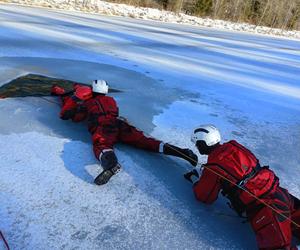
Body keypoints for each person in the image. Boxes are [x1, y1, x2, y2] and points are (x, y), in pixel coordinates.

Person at [51, 80, 198, 185]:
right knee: (147, 142)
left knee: (102, 145)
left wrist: (74, 99)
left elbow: (66, 116)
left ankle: (111, 165)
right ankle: (183, 152)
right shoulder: (112, 101)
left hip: (103, 127)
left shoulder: (88, 103)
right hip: (120, 124)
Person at [184, 124, 300, 250]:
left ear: (202, 144)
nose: (196, 146)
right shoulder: (234, 147)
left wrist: (197, 181)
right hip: (281, 194)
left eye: (197, 143)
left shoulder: (213, 167)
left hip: (266, 209)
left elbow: (204, 196)